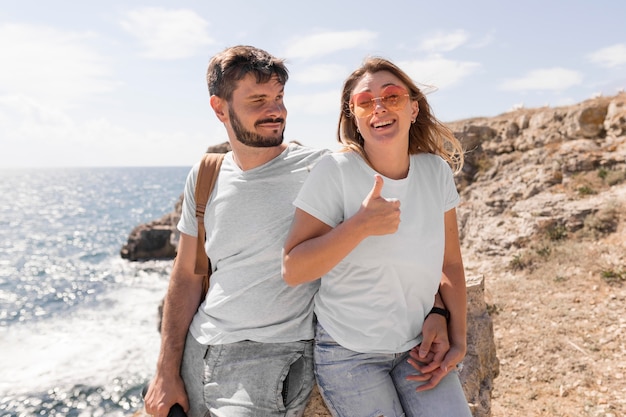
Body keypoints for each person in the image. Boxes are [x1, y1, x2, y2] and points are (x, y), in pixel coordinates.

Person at [144, 46, 451, 417]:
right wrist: (165, 369)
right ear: (219, 108)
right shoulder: (206, 173)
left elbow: (408, 238)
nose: (275, 110)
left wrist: (437, 308)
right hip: (200, 344)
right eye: (258, 100)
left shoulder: (323, 168)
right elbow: (188, 274)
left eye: (278, 98)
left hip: (271, 355)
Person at [282, 56, 472, 417]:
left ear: (413, 108)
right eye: (365, 102)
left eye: (392, 96)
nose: (379, 107)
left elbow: (449, 263)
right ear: (353, 116)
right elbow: (293, 268)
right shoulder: (335, 171)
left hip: (419, 345)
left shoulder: (435, 172)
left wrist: (453, 330)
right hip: (350, 354)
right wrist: (361, 226)